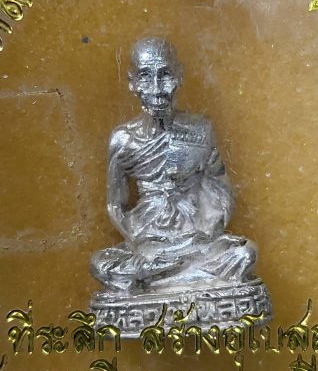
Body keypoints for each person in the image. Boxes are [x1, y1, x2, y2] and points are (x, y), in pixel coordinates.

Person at [90, 37, 257, 293]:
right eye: (145, 77)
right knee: (100, 264)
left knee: (245, 254)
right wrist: (138, 243)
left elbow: (221, 188)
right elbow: (115, 205)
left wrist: (207, 229)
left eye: (165, 75)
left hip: (196, 239)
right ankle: (174, 276)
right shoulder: (124, 140)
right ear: (132, 83)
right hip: (148, 240)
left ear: (179, 76)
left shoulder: (200, 130)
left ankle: (168, 277)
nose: (157, 89)